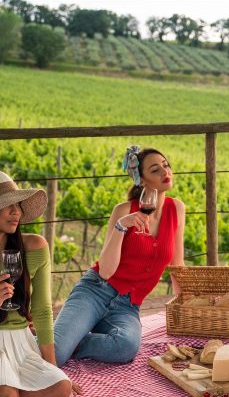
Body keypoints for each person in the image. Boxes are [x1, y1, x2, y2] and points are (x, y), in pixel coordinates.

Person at [54, 146, 185, 366]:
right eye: (155, 170)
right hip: (95, 291)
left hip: (128, 306)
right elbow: (106, 271)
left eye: (166, 165)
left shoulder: (177, 209)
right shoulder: (124, 211)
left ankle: (72, 341)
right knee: (55, 356)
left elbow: (177, 265)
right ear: (141, 180)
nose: (165, 172)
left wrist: (185, 306)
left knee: (125, 347)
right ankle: (57, 342)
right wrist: (121, 227)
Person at [0, 172, 72, 397]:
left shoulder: (35, 247)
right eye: (8, 205)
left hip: (22, 342)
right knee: (8, 393)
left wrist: (52, 368)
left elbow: (42, 310)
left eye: (19, 205)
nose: (17, 212)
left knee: (62, 386)